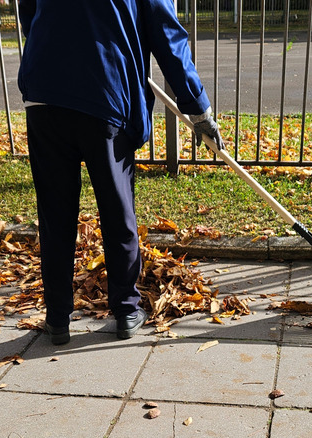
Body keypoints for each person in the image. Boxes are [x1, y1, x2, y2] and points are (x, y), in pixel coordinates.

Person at [17, 0, 223, 345]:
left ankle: (57, 317)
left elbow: (30, 17)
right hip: (103, 91)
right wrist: (199, 110)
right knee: (117, 209)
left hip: (45, 92)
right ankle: (126, 311)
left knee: (54, 213)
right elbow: (168, 38)